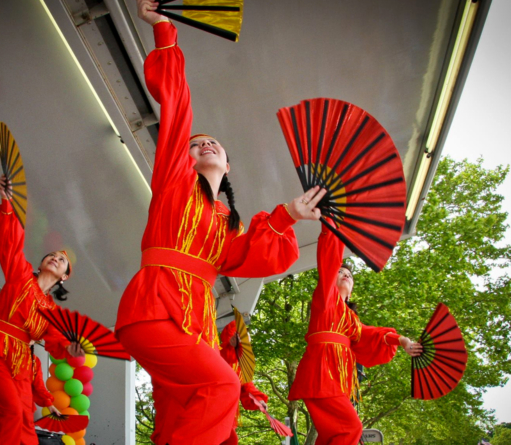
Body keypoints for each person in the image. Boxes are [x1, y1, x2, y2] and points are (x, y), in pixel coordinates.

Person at [115, 2, 327, 444]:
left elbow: (249, 257)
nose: (204, 145)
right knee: (221, 385)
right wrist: (163, 30)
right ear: (184, 157)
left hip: (196, 326)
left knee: (184, 419)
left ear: (228, 166)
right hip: (154, 310)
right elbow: (176, 103)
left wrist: (289, 214)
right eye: (196, 145)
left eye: (214, 144)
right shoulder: (173, 182)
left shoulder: (224, 223)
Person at [288, 221, 422, 445]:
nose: (344, 274)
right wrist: (332, 225)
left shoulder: (352, 322)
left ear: (352, 292)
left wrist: (402, 340)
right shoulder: (325, 298)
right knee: (351, 428)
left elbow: (373, 335)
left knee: (332, 435)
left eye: (349, 274)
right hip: (321, 373)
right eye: (340, 271)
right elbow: (329, 259)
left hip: (337, 381)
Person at [0, 175, 85, 445]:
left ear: (64, 277)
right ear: (41, 262)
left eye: (62, 261)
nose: (56, 258)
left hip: (23, 366)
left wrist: (73, 349)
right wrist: (7, 202)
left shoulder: (52, 311)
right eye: (53, 255)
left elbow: (57, 344)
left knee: (25, 425)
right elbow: (10, 241)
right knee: (13, 414)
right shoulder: (20, 275)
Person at [219, 320, 271, 445]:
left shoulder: (240, 366)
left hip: (228, 414)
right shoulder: (217, 353)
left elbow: (248, 387)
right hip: (212, 408)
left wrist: (259, 400)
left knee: (230, 440)